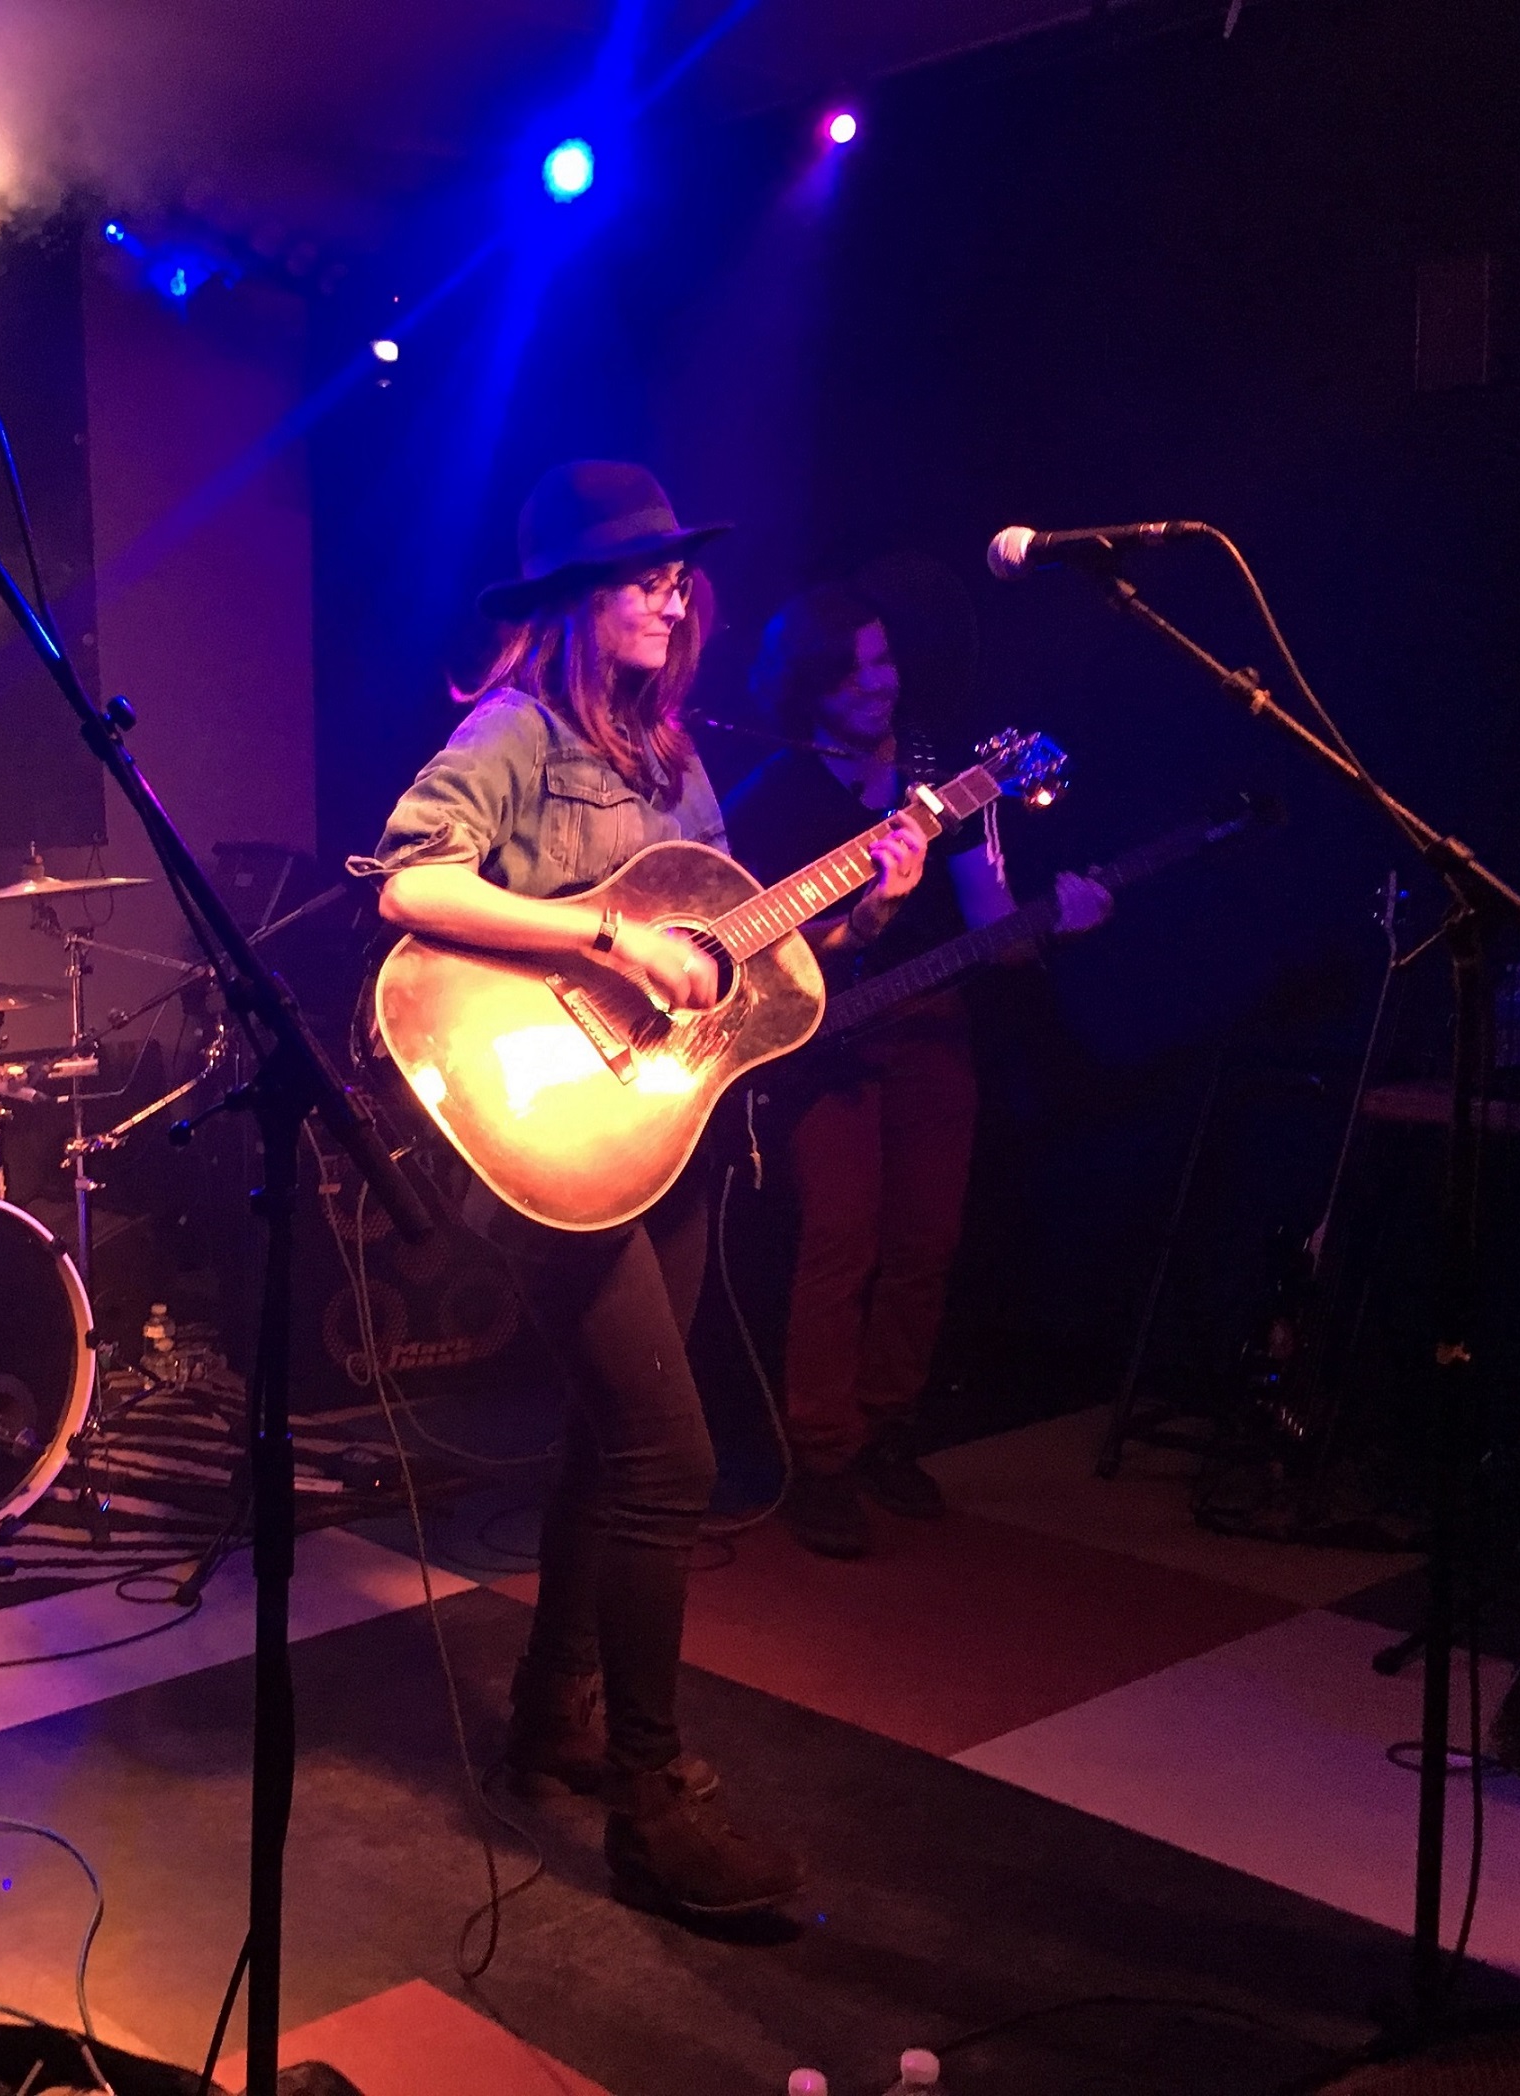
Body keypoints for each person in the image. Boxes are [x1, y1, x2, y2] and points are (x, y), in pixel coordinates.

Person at [354, 462, 927, 1925]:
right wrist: (608, 937)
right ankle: (650, 1800)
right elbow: (411, 886)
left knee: (611, 1444)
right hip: (548, 1134)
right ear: (571, 599)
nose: (672, 599)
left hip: (654, 1131)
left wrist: (865, 900)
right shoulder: (511, 729)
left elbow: (737, 947)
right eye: (641, 578)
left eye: (679, 578)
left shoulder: (673, 760)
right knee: (670, 1461)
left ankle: (553, 1714)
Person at [719, 583, 1109, 1560]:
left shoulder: (943, 778)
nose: (878, 683)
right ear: (807, 685)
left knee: (924, 1242)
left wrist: (1056, 921)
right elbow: (748, 953)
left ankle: (886, 1430)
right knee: (841, 1240)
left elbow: (994, 930)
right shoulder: (772, 794)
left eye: (884, 659)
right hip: (820, 1040)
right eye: (852, 670)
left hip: (931, 1029)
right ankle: (821, 1456)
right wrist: (861, 922)